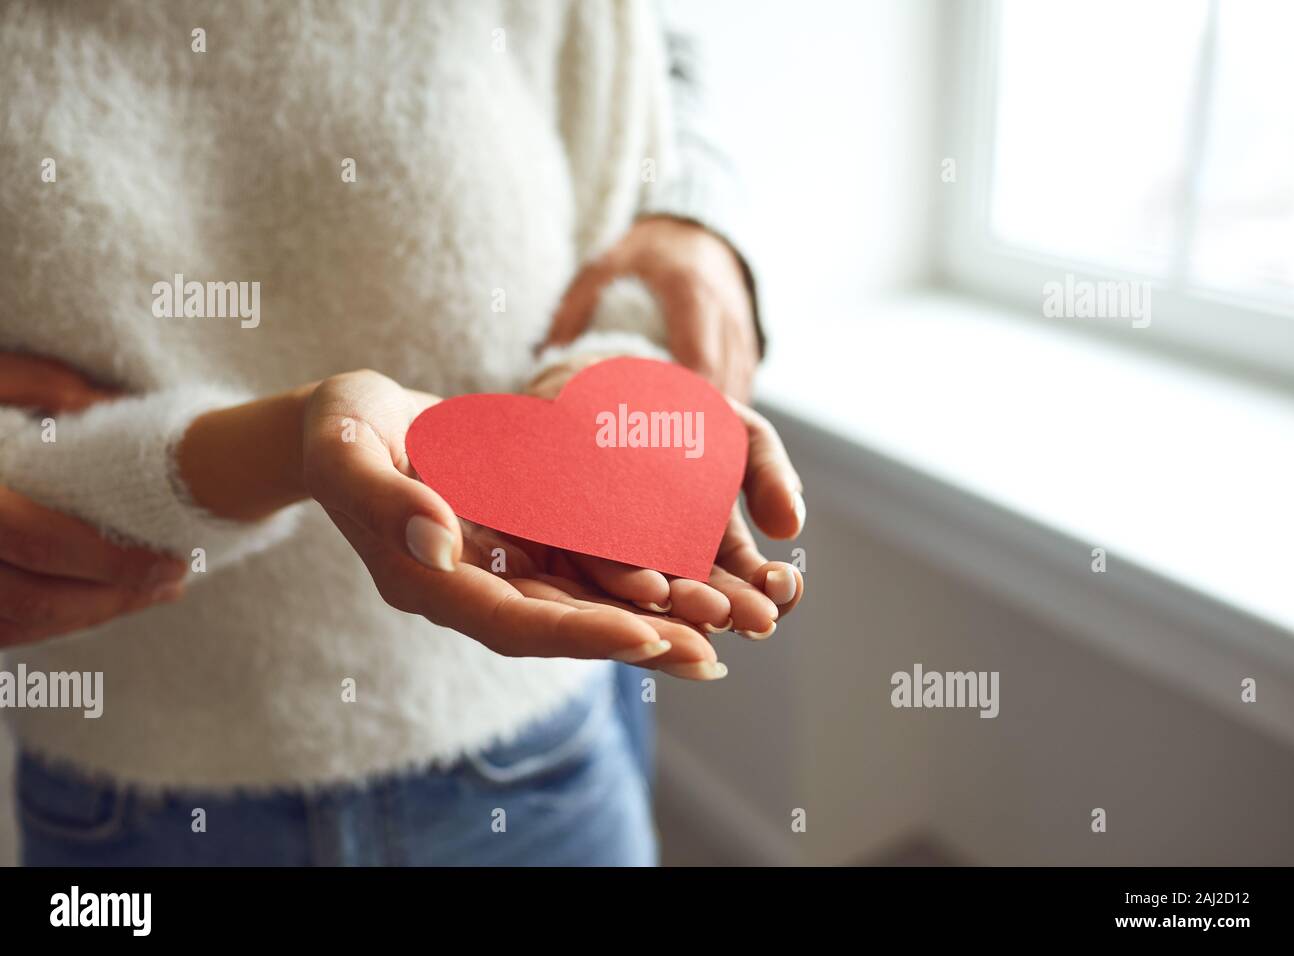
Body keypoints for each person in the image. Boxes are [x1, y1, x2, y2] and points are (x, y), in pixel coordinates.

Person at [0, 0, 803, 866]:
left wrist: (627, 351)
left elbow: (627, 188)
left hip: (535, 759)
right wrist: (295, 442)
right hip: (129, 791)